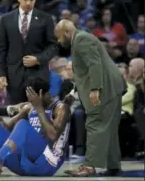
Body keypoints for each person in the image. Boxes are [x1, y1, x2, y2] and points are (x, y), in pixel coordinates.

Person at [54, 20, 127, 176]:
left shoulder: (81, 39)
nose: (59, 42)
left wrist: (95, 89)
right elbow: (84, 72)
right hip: (111, 87)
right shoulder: (81, 39)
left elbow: (95, 65)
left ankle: (89, 166)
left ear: (67, 32)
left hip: (104, 88)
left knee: (95, 123)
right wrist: (73, 92)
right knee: (109, 128)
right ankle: (113, 166)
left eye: (59, 37)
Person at [0, 0, 58, 104]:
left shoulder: (46, 18)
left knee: (38, 115)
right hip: (14, 76)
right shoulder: (5, 19)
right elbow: (1, 49)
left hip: (38, 76)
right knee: (16, 115)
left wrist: (38, 59)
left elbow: (53, 46)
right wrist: (1, 74)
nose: (28, 3)